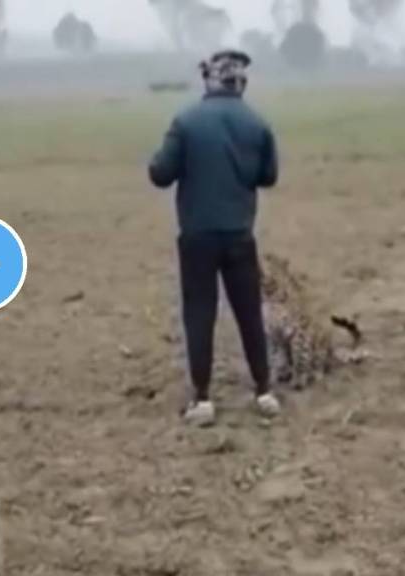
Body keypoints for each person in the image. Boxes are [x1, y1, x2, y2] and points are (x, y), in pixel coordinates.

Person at [148, 49, 281, 427]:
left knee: (200, 313)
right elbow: (268, 176)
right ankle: (263, 390)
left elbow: (160, 173)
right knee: (249, 312)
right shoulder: (257, 124)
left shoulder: (186, 121)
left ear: (209, 78)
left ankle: (203, 398)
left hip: (197, 236)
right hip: (240, 233)